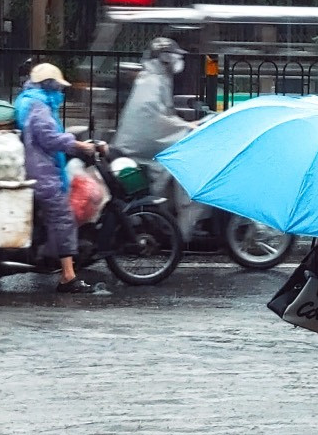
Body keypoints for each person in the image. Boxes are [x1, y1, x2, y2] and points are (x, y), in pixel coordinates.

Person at [13, 62, 101, 294]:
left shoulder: (31, 101)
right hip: (42, 172)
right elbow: (49, 138)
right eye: (58, 87)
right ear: (49, 85)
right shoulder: (39, 107)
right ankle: (67, 276)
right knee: (64, 218)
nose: (61, 92)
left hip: (38, 166)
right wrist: (76, 144)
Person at [112, 37, 201, 233]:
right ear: (165, 59)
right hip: (141, 148)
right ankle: (181, 227)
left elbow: (165, 115)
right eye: (176, 56)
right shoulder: (151, 81)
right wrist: (184, 128)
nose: (180, 62)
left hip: (147, 145)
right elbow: (152, 119)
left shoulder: (157, 79)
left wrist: (185, 124)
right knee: (184, 165)